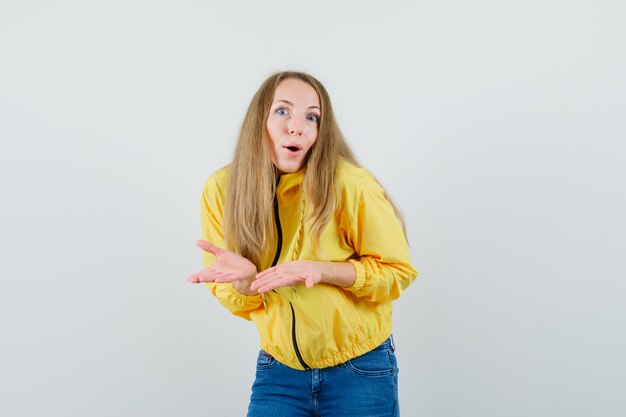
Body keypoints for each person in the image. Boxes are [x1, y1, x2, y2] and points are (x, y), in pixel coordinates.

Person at [188, 71, 418, 417]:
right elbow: (238, 301)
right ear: (258, 120)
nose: (297, 126)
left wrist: (322, 270)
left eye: (312, 117)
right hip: (278, 371)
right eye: (283, 111)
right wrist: (246, 281)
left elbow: (397, 273)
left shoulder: (349, 185)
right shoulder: (223, 190)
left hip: (360, 369)